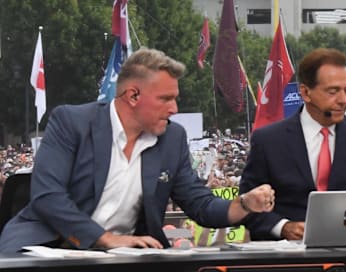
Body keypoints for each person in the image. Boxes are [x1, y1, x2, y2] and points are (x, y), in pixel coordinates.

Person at [0, 48, 275, 253]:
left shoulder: (172, 138)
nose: (174, 109)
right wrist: (105, 239)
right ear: (132, 96)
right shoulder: (71, 122)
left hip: (124, 255)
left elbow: (201, 205)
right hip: (47, 247)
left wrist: (243, 204)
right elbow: (48, 197)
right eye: (165, 99)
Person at [238, 48, 346, 241]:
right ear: (305, 92)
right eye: (333, 91)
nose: (343, 100)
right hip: (286, 259)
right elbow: (245, 204)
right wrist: (282, 227)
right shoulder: (268, 140)